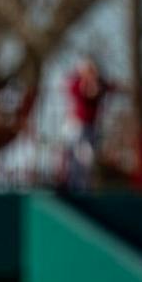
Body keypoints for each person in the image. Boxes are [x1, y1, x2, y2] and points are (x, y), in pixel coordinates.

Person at [63, 56, 109, 192]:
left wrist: (94, 83)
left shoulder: (98, 83)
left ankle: (83, 186)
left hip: (91, 126)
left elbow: (101, 91)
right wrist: (87, 83)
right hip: (77, 125)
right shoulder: (76, 83)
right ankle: (75, 186)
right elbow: (81, 93)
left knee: (88, 158)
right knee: (78, 157)